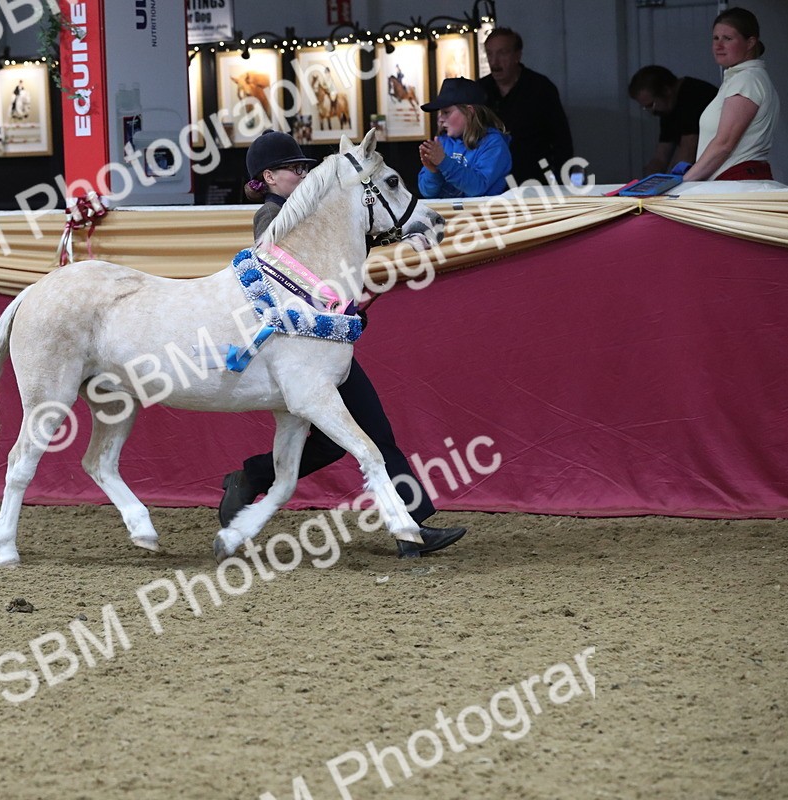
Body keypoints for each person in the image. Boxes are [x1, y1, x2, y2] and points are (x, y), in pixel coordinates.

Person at [220, 129, 467, 556]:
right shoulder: (271, 219)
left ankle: (409, 525)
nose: (302, 173)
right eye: (292, 168)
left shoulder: (317, 212)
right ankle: (257, 477)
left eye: (303, 167)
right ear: (270, 177)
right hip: (298, 349)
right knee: (358, 433)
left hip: (325, 344)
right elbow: (292, 284)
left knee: (367, 429)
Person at [683, 7, 778, 182]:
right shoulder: (739, 78)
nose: (718, 45)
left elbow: (724, 145)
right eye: (715, 38)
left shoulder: (747, 80)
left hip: (737, 184)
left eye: (727, 38)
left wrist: (683, 183)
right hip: (733, 182)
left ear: (750, 43)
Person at [479, 27, 574, 186]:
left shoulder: (540, 88)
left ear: (517, 55)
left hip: (534, 181)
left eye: (502, 53)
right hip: (491, 184)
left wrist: (561, 184)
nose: (494, 62)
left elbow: (561, 141)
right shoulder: (480, 90)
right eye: (489, 53)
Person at [417, 77, 513, 198]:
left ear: (469, 112)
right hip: (447, 215)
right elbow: (426, 192)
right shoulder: (442, 142)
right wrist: (433, 172)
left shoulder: (493, 144)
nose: (440, 119)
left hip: (481, 215)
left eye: (446, 112)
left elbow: (477, 188)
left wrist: (443, 162)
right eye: (440, 113)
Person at [628, 66, 719, 176]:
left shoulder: (693, 96)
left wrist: (670, 183)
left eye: (651, 105)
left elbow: (688, 152)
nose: (651, 112)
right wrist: (644, 184)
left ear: (666, 90)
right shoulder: (668, 106)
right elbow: (660, 157)